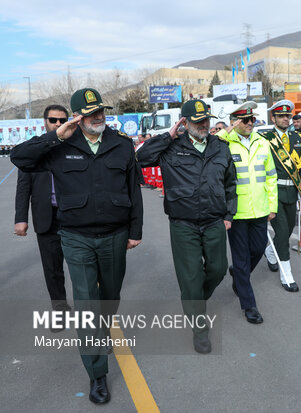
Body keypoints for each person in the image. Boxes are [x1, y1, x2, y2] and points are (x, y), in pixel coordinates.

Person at [11, 88, 143, 405]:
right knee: (86, 305)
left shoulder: (121, 145)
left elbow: (133, 191)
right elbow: (19, 157)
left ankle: (105, 329)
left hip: (115, 234)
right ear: (77, 117)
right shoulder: (59, 146)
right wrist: (55, 135)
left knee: (110, 296)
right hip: (76, 237)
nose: (99, 116)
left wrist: (135, 230)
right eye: (91, 113)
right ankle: (97, 373)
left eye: (102, 111)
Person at [136, 99, 237, 352]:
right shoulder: (171, 147)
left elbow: (230, 184)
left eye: (206, 120)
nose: (204, 125)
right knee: (191, 277)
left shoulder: (220, 147)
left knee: (218, 269)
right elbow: (140, 158)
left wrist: (229, 215)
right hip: (184, 224)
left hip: (214, 221)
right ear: (185, 122)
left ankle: (194, 302)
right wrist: (167, 136)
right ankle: (199, 326)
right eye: (197, 121)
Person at [218, 101, 277, 324]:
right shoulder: (225, 143)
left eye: (252, 119)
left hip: (261, 209)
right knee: (241, 259)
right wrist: (228, 129)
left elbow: (270, 176)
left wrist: (272, 206)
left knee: (258, 250)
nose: (251, 123)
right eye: (246, 120)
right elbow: (211, 142)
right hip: (237, 212)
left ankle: (238, 274)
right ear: (236, 122)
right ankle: (249, 305)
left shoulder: (262, 143)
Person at [14, 105, 71, 330]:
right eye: (53, 120)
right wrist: (21, 218)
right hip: (46, 217)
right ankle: (60, 309)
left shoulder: (74, 147)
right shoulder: (33, 149)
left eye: (62, 120)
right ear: (45, 121)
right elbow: (23, 187)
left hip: (73, 216)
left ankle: (91, 311)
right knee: (52, 268)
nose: (58, 124)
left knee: (82, 266)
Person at [262, 100, 301, 292]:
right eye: (281, 116)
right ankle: (286, 274)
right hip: (274, 192)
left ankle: (270, 250)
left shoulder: (298, 138)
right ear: (273, 118)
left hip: (292, 192)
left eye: (287, 116)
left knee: (288, 230)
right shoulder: (264, 138)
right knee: (282, 233)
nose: (285, 119)